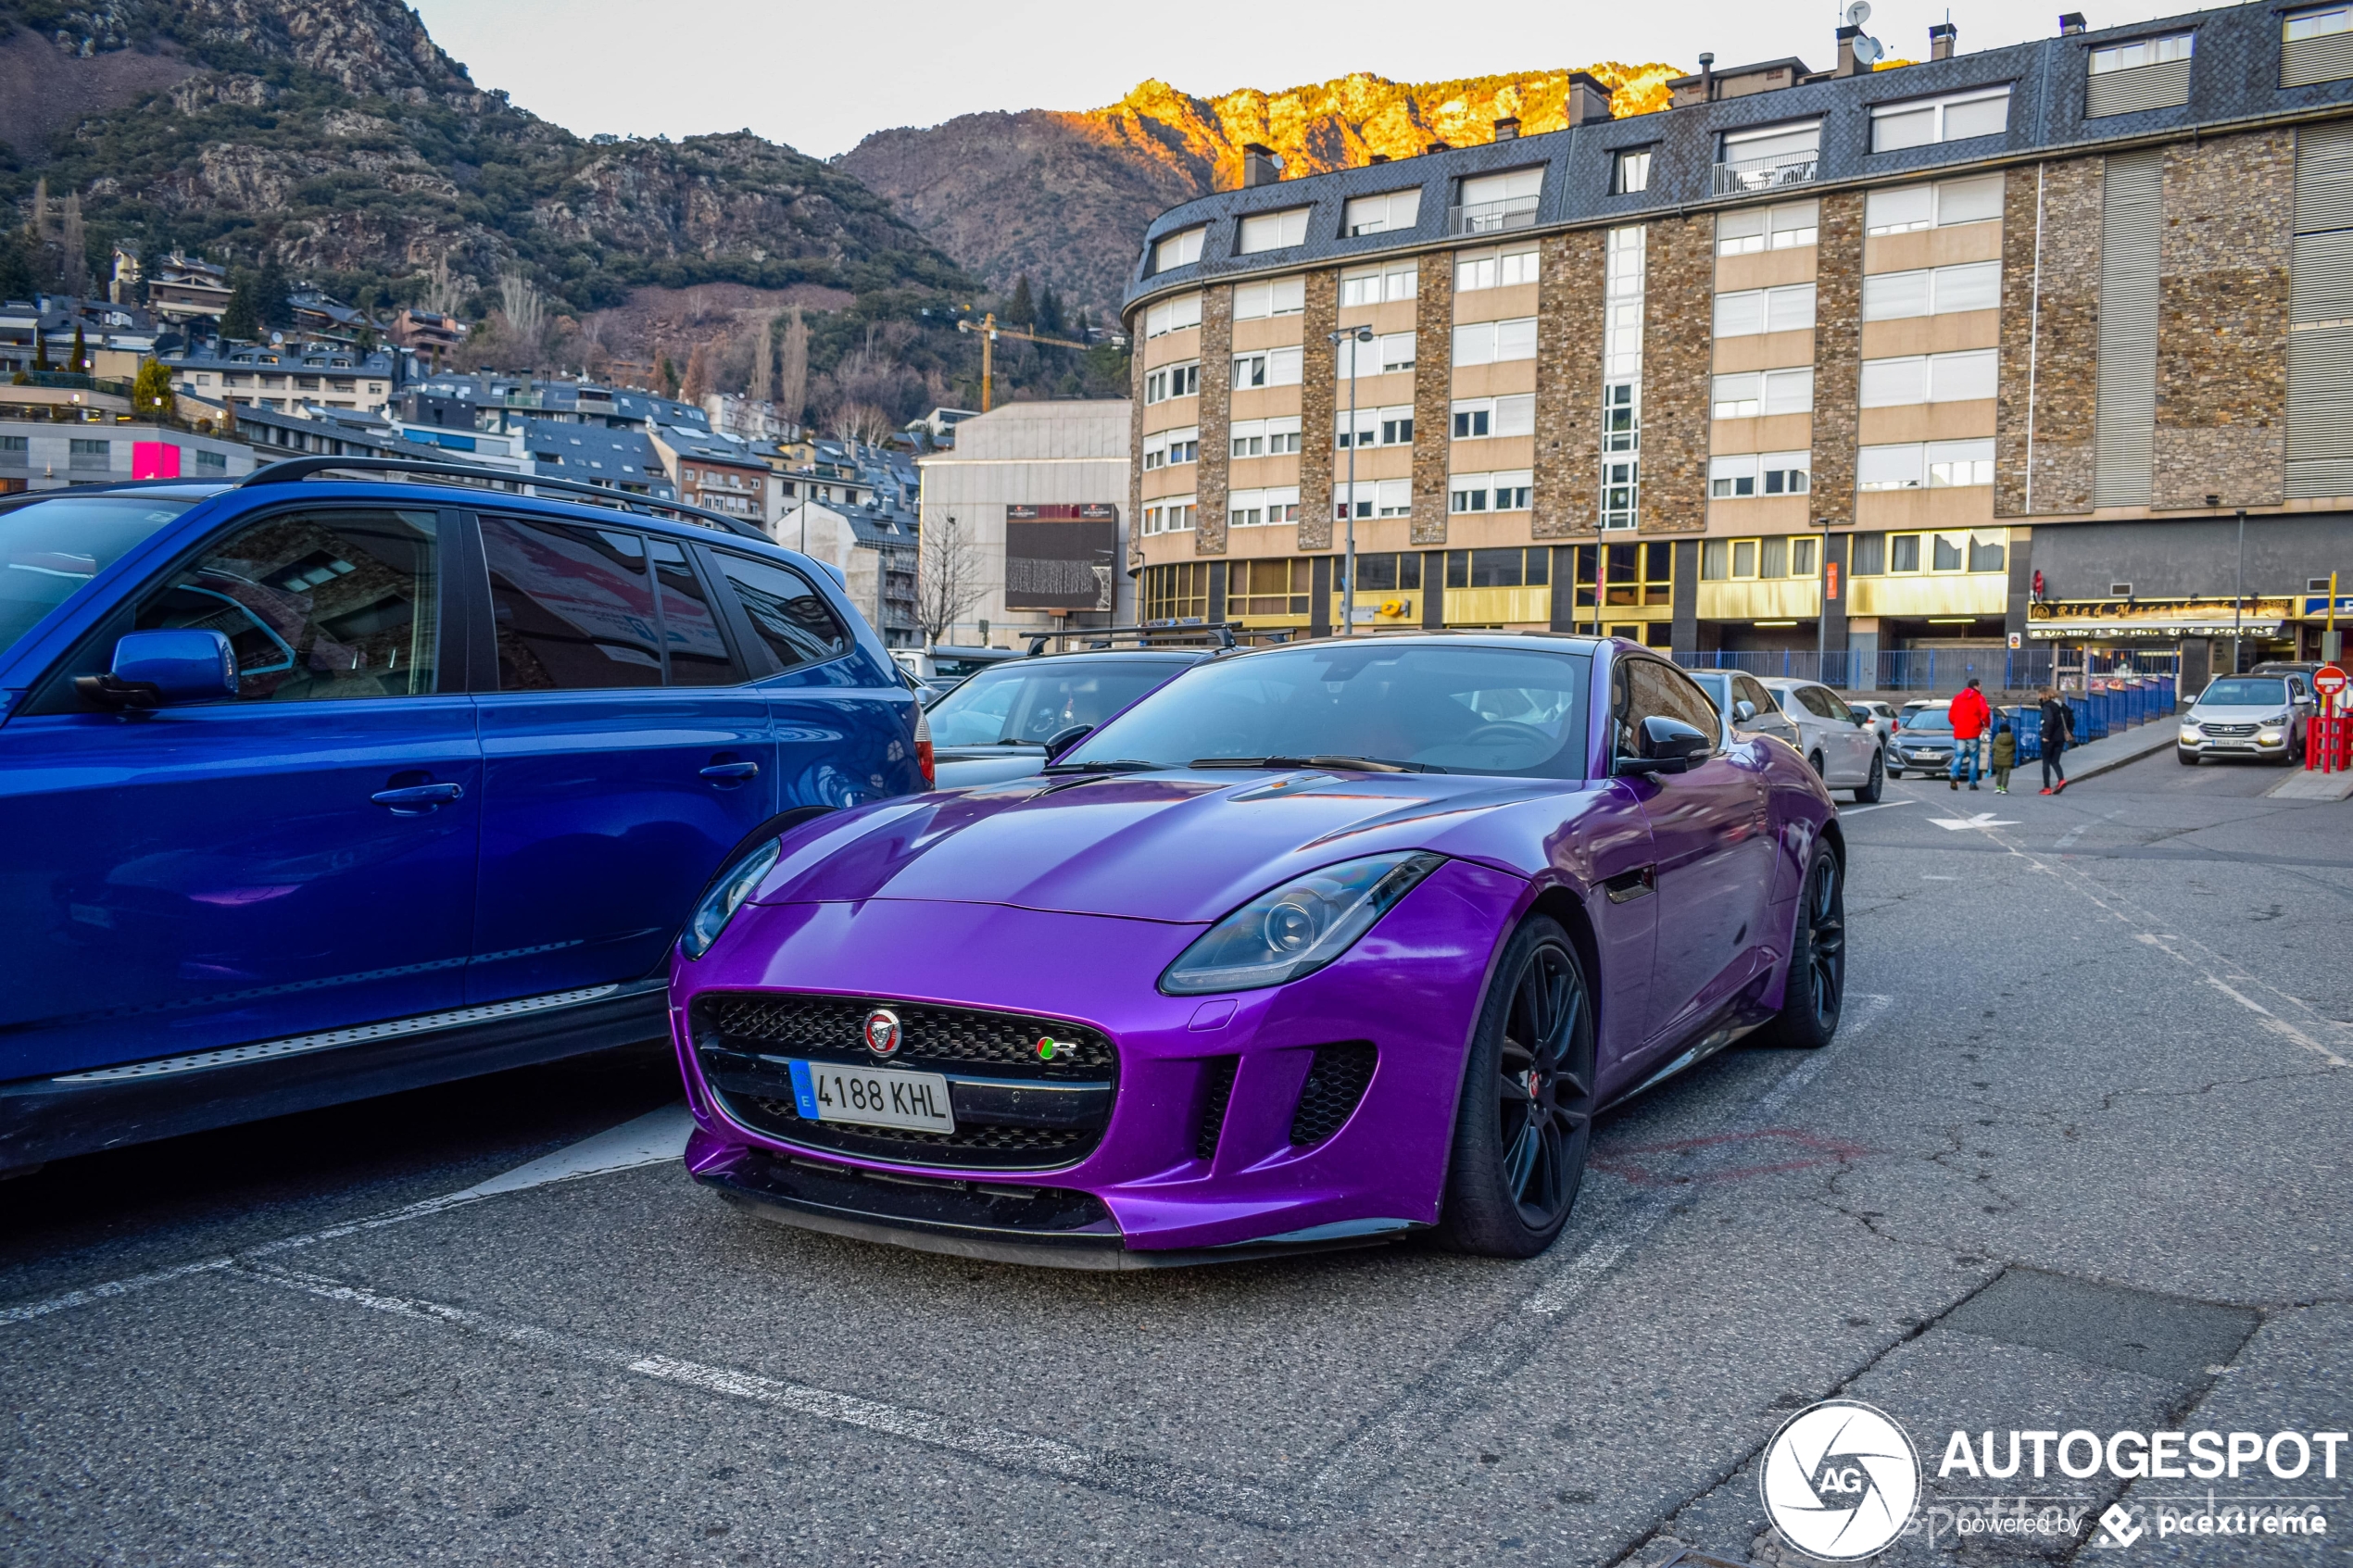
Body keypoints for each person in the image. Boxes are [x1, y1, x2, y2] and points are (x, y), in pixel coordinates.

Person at [1948, 677, 1991, 791]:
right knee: (1973, 757)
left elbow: (1951, 715)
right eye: (1980, 686)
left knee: (1959, 755)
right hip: (1973, 731)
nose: (1981, 688)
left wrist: (1957, 724)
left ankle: (1953, 776)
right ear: (1976, 686)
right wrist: (1986, 724)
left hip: (1960, 731)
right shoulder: (1980, 698)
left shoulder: (1958, 698)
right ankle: (1972, 783)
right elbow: (1985, 712)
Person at [2038, 686, 2074, 794]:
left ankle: (2047, 787)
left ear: (2043, 695)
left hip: (2049, 739)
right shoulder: (2063, 706)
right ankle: (2061, 780)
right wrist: (2069, 732)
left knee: (2046, 762)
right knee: (2055, 761)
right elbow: (2072, 721)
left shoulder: (2048, 706)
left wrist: (2046, 735)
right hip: (2061, 738)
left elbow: (2049, 720)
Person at [1990, 715, 2016, 794]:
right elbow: (2014, 748)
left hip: (1998, 759)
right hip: (2008, 759)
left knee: (1999, 774)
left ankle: (1998, 787)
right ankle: (2004, 788)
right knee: (2006, 774)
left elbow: (1993, 748)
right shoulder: (2012, 738)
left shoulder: (1997, 738)